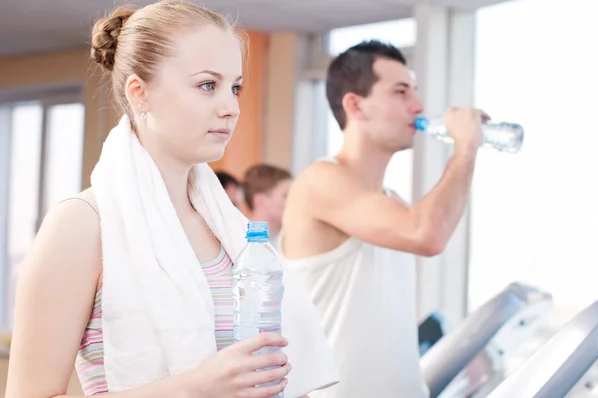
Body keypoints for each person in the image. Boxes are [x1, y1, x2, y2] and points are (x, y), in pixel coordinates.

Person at [5, 1, 338, 397]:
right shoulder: (81, 224)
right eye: (207, 85)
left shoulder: (229, 228)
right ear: (140, 93)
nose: (231, 108)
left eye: (235, 87)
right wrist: (197, 388)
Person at [279, 40, 486, 398]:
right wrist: (465, 148)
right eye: (401, 92)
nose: (418, 106)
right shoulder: (321, 180)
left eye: (415, 91)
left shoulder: (394, 204)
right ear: (355, 105)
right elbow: (427, 235)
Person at [242, 164, 292, 242]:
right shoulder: (238, 245)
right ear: (260, 201)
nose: (293, 201)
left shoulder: (289, 244)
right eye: (285, 195)